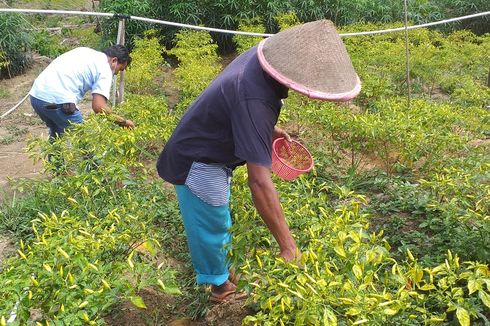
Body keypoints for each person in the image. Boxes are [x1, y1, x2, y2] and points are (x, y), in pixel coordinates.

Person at [156, 20, 361, 303]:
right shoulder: (254, 97)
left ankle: (225, 270)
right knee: (211, 222)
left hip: (211, 143)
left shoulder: (262, 57)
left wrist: (266, 128)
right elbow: (260, 183)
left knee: (220, 221)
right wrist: (288, 246)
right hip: (198, 159)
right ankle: (219, 287)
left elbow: (236, 105)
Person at [29, 45, 134, 139]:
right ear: (114, 61)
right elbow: (98, 107)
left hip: (36, 95)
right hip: (58, 101)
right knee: (86, 141)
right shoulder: (105, 69)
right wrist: (123, 122)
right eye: (120, 69)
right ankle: (93, 161)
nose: (116, 73)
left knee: (57, 134)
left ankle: (54, 161)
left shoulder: (85, 51)